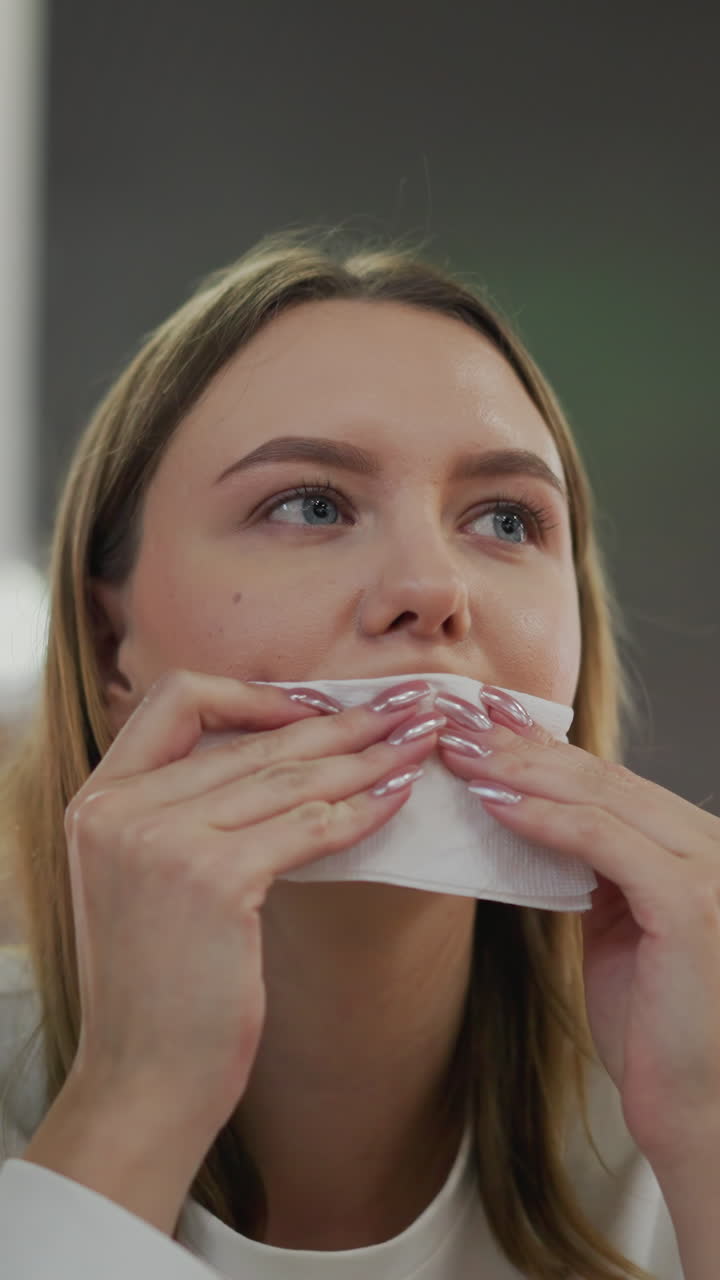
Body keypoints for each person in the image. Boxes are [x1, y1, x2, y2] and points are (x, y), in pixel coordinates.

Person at [0, 228, 683, 1279]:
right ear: (106, 646)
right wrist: (133, 1100)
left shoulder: (679, 1119)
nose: (433, 588)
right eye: (311, 504)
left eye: (506, 519)